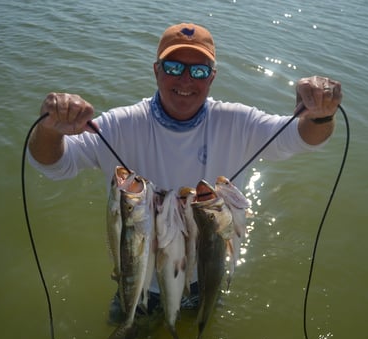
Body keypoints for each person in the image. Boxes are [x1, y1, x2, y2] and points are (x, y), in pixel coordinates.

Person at [28, 23, 342, 320]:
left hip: (205, 277)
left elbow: (302, 139)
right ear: (156, 71)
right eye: (174, 67)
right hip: (139, 284)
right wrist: (49, 129)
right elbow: (54, 164)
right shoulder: (119, 125)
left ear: (212, 77)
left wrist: (319, 114)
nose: (185, 80)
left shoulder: (238, 123)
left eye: (199, 71)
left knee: (201, 323)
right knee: (127, 326)